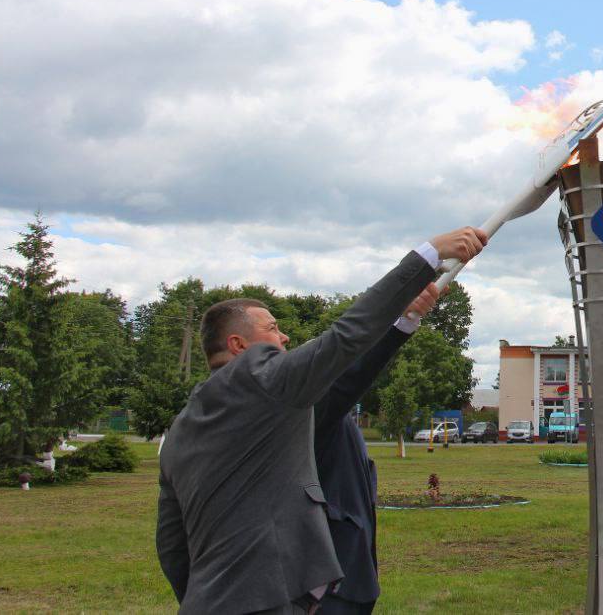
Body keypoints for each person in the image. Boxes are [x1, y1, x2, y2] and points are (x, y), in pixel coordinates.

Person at [156, 227, 487, 614]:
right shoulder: (265, 383)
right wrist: (428, 256)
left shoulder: (181, 429)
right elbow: (344, 338)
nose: (284, 337)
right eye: (272, 328)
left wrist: (201, 599)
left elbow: (172, 544)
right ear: (239, 346)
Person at [314, 281, 440, 614]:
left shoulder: (327, 411)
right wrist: (401, 321)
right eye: (272, 329)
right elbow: (355, 372)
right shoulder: (307, 406)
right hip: (329, 587)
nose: (282, 337)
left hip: (352, 575)